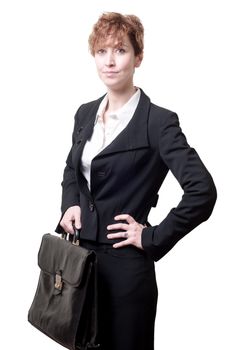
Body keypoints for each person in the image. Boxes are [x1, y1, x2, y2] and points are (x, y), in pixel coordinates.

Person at [56, 12, 217, 350]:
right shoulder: (85, 113)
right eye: (102, 52)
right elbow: (73, 168)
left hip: (127, 273)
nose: (110, 61)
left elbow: (202, 191)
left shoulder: (158, 122)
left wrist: (152, 236)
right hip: (79, 265)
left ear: (138, 57)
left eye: (120, 50)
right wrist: (70, 202)